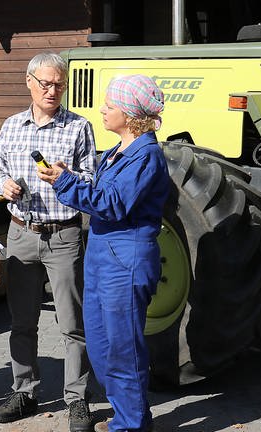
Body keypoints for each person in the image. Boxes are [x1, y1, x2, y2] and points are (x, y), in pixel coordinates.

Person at [36, 74, 169, 432]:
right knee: (101, 346)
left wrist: (63, 183)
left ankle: (130, 425)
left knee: (123, 350)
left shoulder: (145, 156)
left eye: (109, 106)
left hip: (125, 261)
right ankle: (128, 414)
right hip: (102, 258)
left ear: (129, 114)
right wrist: (70, 176)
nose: (102, 110)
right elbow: (100, 191)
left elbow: (112, 204)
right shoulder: (116, 153)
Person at [0, 52, 97, 432]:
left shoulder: (79, 127)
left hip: (64, 233)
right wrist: (5, 185)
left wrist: (69, 176)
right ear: (29, 82)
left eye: (59, 85)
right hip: (21, 232)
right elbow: (0, 166)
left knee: (72, 322)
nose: (53, 91)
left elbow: (92, 178)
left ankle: (77, 399)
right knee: (21, 321)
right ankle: (24, 391)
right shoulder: (11, 126)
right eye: (46, 84)